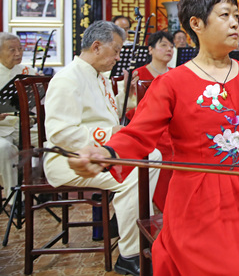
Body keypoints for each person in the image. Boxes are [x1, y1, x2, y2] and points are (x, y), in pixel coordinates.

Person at [67, 0, 239, 275]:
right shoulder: (171, 84)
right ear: (196, 24)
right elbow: (138, 134)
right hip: (198, 198)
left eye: (236, 15)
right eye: (224, 15)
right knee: (233, 266)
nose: (234, 23)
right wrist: (105, 153)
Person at [43, 21, 161, 275]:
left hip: (98, 153)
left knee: (150, 156)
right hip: (69, 159)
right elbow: (60, 133)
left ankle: (125, 221)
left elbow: (106, 114)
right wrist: (110, 135)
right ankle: (130, 255)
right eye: (116, 51)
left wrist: (127, 94)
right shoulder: (67, 78)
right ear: (96, 47)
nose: (118, 58)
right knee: (138, 171)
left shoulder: (98, 76)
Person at [126, 31, 174, 212]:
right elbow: (129, 106)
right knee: (165, 149)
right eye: (163, 45)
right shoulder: (138, 74)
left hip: (171, 123)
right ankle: (165, 203)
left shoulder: (175, 73)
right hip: (148, 125)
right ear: (150, 49)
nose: (169, 49)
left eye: (171, 46)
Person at [0, 33, 38, 194]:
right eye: (12, 50)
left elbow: (39, 102)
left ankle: (45, 189)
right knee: (4, 148)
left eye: (20, 49)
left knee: (54, 140)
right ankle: (15, 196)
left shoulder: (27, 71)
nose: (18, 53)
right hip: (2, 129)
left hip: (24, 126)